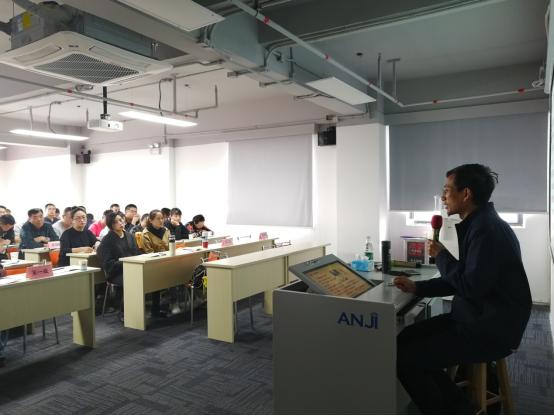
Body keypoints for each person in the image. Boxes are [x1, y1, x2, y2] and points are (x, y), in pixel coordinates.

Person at [393, 164, 532, 415]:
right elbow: (465, 279)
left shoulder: (486, 229)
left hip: (491, 329)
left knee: (407, 359)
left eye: (447, 190)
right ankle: (463, 408)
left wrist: (441, 255)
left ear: (465, 194)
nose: (443, 197)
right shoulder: (479, 223)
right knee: (403, 341)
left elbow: (470, 286)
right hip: (474, 316)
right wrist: (418, 286)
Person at [96, 212, 141, 318]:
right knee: (132, 279)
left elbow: (137, 254)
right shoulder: (107, 240)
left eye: (121, 220)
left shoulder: (130, 236)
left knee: (144, 275)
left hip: (133, 269)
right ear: (110, 225)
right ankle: (124, 310)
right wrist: (126, 263)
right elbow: (107, 263)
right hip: (116, 272)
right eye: (116, 222)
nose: (120, 223)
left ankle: (145, 308)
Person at [141, 210, 180, 316]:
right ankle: (156, 307)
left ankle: (174, 302)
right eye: (158, 218)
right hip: (153, 263)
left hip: (167, 261)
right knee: (160, 277)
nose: (161, 220)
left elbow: (171, 246)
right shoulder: (146, 233)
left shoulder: (166, 230)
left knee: (176, 273)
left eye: (162, 218)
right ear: (151, 220)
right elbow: (149, 252)